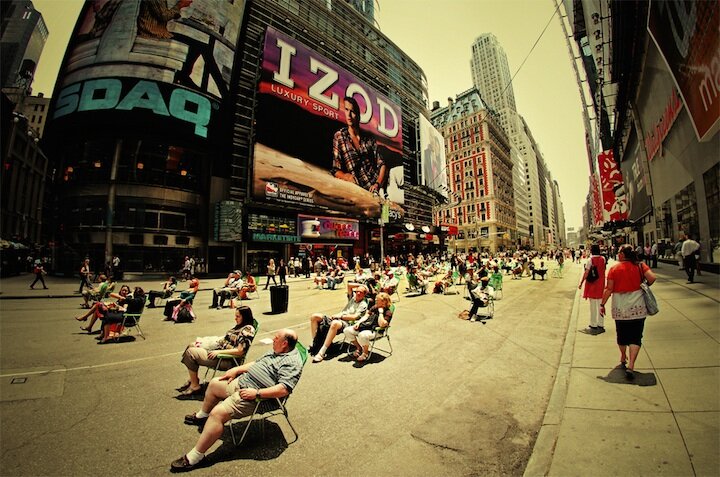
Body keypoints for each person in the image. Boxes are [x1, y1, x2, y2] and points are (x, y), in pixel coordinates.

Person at [171, 329, 303, 472]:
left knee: (217, 414)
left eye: (276, 338)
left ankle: (195, 457)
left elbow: (284, 389)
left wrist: (257, 393)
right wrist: (237, 370)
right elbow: (256, 363)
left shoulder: (292, 362)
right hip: (244, 383)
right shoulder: (277, 351)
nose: (273, 339)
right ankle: (203, 415)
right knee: (214, 384)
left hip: (257, 397)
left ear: (284, 344)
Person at [600, 244, 656, 379]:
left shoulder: (614, 269)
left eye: (619, 252)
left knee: (622, 335)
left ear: (623, 255)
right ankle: (631, 365)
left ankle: (623, 355)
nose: (618, 254)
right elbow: (652, 278)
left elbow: (608, 289)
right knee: (636, 337)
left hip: (620, 308)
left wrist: (602, 304)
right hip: (638, 307)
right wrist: (642, 285)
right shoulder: (640, 266)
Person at [176, 306, 256, 397]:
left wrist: (218, 352)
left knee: (190, 353)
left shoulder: (247, 329)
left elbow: (240, 351)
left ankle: (195, 385)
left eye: (238, 316)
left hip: (227, 359)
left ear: (245, 317)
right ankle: (192, 379)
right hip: (219, 350)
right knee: (192, 345)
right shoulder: (241, 326)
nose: (235, 318)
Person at [331, 96, 387, 193]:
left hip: (377, 187)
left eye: (352, 111)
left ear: (357, 115)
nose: (348, 114)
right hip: (358, 190)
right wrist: (346, 176)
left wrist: (377, 184)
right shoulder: (339, 136)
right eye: (346, 110)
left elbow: (382, 164)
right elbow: (335, 169)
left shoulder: (368, 138)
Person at [309, 286, 369, 362]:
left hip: (347, 323)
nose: (358, 293)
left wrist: (340, 316)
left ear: (364, 294)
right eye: (357, 291)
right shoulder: (352, 299)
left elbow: (355, 317)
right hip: (338, 318)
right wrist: (362, 285)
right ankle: (315, 344)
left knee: (334, 323)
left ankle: (321, 352)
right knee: (315, 316)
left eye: (361, 292)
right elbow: (349, 285)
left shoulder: (363, 304)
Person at [343, 292, 393, 362]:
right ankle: (359, 348)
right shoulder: (375, 307)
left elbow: (382, 324)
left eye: (377, 300)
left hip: (376, 331)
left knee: (362, 335)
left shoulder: (388, 312)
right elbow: (366, 316)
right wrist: (358, 323)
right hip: (366, 327)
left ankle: (365, 353)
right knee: (347, 330)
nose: (375, 301)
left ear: (383, 302)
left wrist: (381, 313)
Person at [578, 244, 607, 334]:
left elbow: (586, 273)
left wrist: (581, 282)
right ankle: (601, 324)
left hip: (592, 285)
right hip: (601, 284)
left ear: (591, 250)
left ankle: (593, 324)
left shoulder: (590, 260)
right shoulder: (603, 259)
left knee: (593, 306)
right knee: (600, 304)